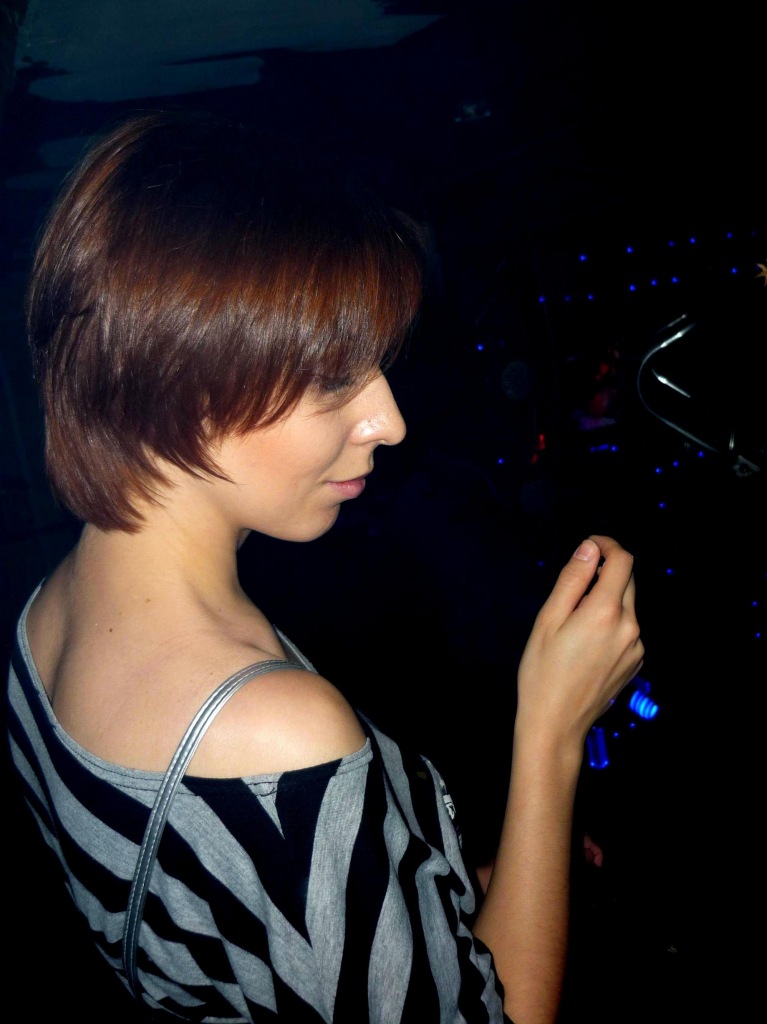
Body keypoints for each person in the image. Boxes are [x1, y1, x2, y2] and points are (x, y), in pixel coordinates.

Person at [5, 109, 644, 1024]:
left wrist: (427, 893)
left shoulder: (49, 611)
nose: (389, 422)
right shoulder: (278, 736)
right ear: (181, 377)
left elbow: (242, 911)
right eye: (335, 378)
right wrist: (551, 732)